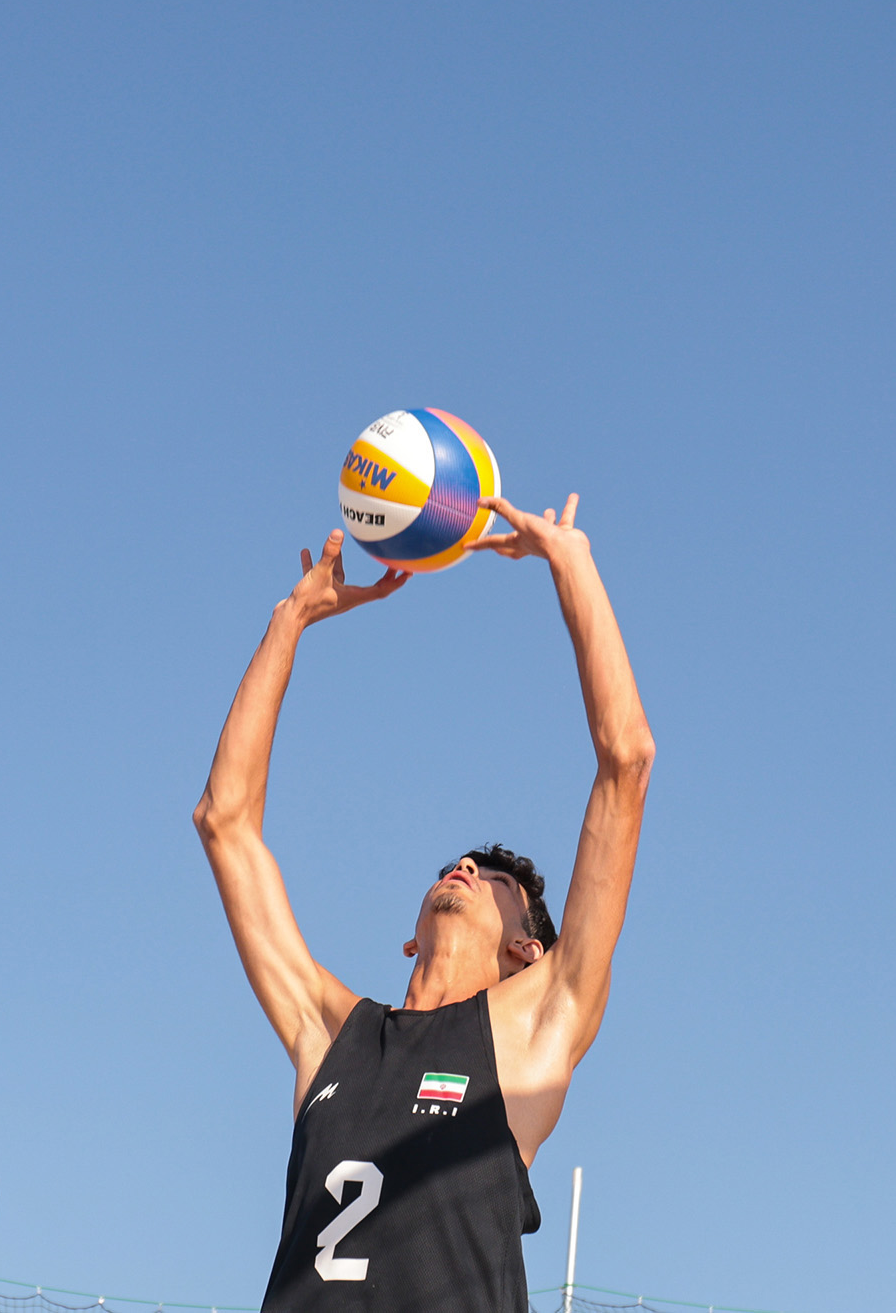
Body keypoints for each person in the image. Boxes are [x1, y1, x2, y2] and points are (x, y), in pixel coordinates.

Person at [193, 493, 655, 1312]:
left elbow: (627, 761)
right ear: (409, 938)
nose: (467, 869)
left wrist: (570, 560)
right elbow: (223, 820)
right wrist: (289, 622)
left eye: (496, 879)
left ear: (528, 949)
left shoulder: (534, 1030)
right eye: (455, 865)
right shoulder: (331, 1031)